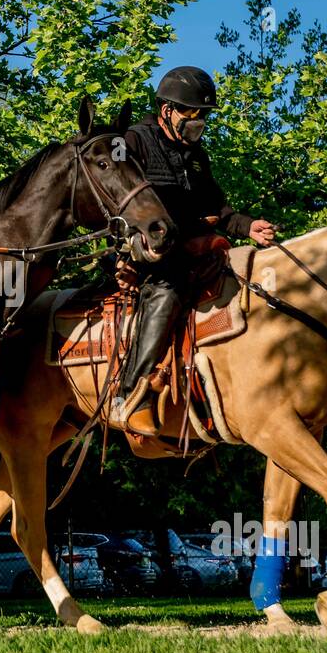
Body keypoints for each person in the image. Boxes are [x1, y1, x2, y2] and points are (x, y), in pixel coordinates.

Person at [115, 66, 276, 435]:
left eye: (203, 116)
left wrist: (248, 226)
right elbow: (114, 203)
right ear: (167, 110)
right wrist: (121, 255)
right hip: (144, 253)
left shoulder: (197, 156)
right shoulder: (134, 142)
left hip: (186, 250)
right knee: (168, 290)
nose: (198, 122)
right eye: (191, 114)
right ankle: (131, 396)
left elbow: (219, 211)